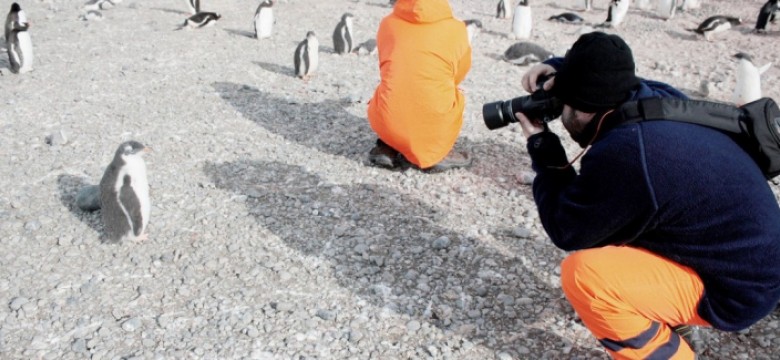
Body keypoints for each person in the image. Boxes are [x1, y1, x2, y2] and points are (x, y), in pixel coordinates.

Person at [515, 31, 780, 359]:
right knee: (625, 214)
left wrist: (543, 147)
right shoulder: (653, 97)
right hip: (752, 255)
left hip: (736, 292)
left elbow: (567, 228)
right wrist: (554, 66)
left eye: (564, 102)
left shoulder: (627, 151)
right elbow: (605, 73)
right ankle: (661, 309)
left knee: (585, 276)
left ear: (581, 105)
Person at [366, 0, 472, 172]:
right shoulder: (457, 28)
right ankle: (438, 152)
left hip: (388, 119)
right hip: (435, 122)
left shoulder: (388, 23)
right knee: (454, 94)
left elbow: (387, 68)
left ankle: (388, 146)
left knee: (391, 87)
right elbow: (460, 72)